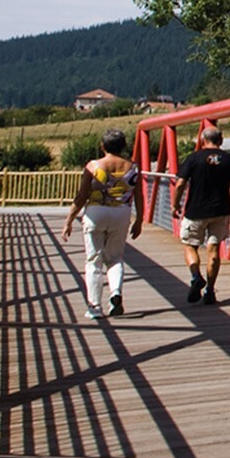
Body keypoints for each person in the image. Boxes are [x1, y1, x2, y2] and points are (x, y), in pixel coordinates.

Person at [62, 128, 144, 319]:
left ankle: (95, 307)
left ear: (103, 145)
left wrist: (69, 220)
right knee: (115, 258)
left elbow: (82, 195)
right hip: (121, 212)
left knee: (93, 260)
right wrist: (139, 220)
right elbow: (138, 196)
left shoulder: (93, 166)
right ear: (123, 146)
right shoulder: (134, 167)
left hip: (96, 212)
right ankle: (116, 292)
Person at [172, 126, 230, 305]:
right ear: (221, 140)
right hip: (221, 211)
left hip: (196, 211)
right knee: (214, 250)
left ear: (203, 140)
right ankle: (210, 291)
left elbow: (180, 183)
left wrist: (175, 204)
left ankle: (196, 277)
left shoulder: (194, 158)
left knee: (190, 246)